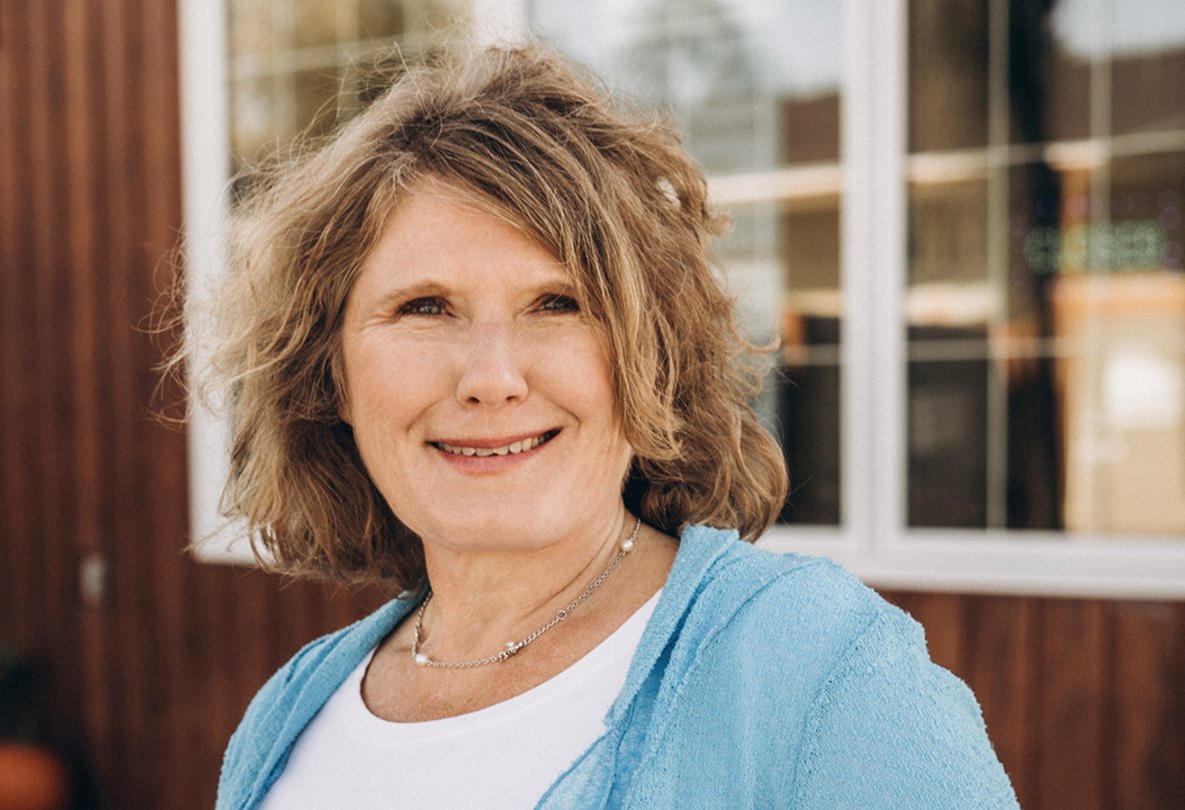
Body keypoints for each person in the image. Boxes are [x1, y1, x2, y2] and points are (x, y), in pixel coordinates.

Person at [190, 42, 1018, 809]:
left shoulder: (819, 677)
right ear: (327, 371)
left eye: (558, 304)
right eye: (424, 307)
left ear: (648, 354)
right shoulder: (291, 716)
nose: (491, 379)